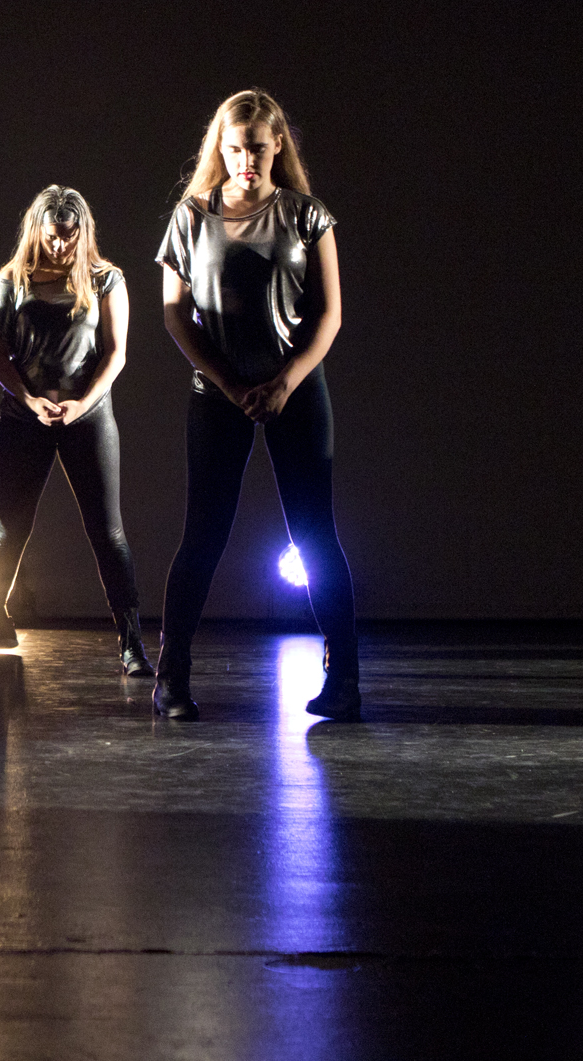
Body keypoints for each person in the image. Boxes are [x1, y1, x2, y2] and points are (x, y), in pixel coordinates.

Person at [152, 89, 360, 721]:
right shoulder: (191, 216)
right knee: (204, 534)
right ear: (220, 148)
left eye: (258, 150)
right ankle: (171, 676)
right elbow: (174, 314)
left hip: (295, 391)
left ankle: (344, 680)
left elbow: (329, 315)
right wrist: (227, 384)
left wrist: (285, 383)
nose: (247, 161)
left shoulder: (306, 215)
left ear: (277, 147)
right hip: (218, 395)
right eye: (236, 149)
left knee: (315, 533)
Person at [0, 185, 149, 675]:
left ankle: (132, 646)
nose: (60, 245)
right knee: (8, 531)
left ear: (82, 231)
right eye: (52, 236)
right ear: (36, 231)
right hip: (24, 419)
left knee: (108, 532)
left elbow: (116, 353)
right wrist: (28, 399)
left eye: (69, 236)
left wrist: (82, 405)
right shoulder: (11, 280)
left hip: (87, 416)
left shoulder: (105, 280)